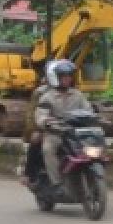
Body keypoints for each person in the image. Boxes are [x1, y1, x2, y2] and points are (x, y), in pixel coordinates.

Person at [34, 59, 91, 190]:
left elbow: (88, 110)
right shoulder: (47, 97)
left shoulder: (78, 95)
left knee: (94, 148)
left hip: (76, 134)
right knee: (48, 149)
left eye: (69, 76)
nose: (67, 79)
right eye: (64, 76)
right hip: (56, 133)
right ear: (56, 78)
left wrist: (96, 118)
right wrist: (46, 121)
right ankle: (57, 183)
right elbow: (41, 115)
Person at [21, 62, 59, 186]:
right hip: (46, 127)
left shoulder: (74, 92)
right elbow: (32, 113)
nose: (66, 78)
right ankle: (29, 174)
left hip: (66, 127)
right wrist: (36, 128)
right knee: (37, 139)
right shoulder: (41, 92)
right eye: (62, 75)